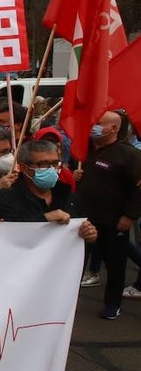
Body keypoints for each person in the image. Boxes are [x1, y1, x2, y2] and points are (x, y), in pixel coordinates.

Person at [0, 138, 97, 371]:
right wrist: (42, 223)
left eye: (54, 163)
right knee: (8, 362)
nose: (50, 170)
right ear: (24, 167)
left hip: (53, 296)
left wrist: (88, 234)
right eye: (42, 165)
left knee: (51, 361)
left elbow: (79, 236)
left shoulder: (67, 196)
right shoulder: (4, 199)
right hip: (11, 298)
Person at [73, 110, 141, 320]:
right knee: (76, 263)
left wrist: (129, 216)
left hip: (113, 221)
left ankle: (113, 304)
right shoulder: (85, 150)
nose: (94, 126)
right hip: (84, 219)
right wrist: (75, 175)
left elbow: (138, 189)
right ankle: (67, 304)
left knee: (115, 264)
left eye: (99, 123)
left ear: (114, 128)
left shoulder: (128, 154)